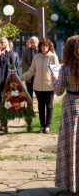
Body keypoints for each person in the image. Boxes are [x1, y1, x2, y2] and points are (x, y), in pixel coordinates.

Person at [52, 35, 79, 194]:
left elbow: (58, 90)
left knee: (71, 145)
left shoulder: (65, 68)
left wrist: (55, 80)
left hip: (70, 107)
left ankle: (72, 183)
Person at [20, 38, 59, 134]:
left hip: (49, 86)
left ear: (49, 47)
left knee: (49, 106)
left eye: (46, 45)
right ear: (40, 46)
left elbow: (57, 72)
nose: (44, 47)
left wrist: (57, 84)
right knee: (41, 107)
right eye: (43, 45)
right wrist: (19, 78)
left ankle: (48, 125)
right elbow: (31, 71)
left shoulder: (53, 57)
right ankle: (42, 125)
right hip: (37, 86)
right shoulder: (36, 57)